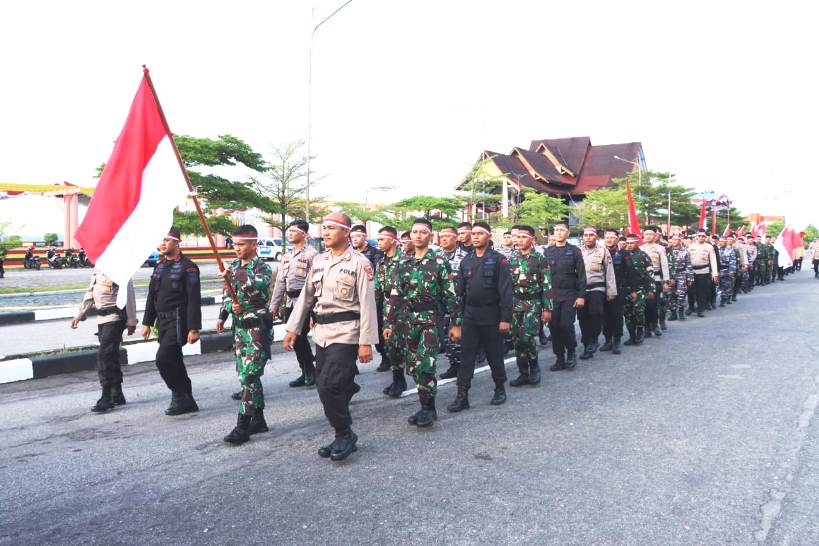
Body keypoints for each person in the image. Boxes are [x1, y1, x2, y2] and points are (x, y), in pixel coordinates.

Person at [284, 212, 378, 461]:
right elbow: (305, 298)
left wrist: (366, 341)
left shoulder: (360, 263)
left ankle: (344, 434)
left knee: (328, 384)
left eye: (331, 228)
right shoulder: (320, 261)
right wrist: (293, 329)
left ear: (346, 233)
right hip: (322, 333)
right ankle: (342, 432)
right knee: (326, 385)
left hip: (347, 332)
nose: (325, 233)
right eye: (323, 228)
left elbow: (368, 305)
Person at [384, 218, 462, 426]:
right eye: (414, 232)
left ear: (430, 236)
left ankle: (429, 409)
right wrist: (389, 323)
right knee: (414, 366)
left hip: (430, 320)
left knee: (425, 364)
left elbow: (451, 295)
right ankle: (423, 405)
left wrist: (455, 323)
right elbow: (395, 295)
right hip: (407, 322)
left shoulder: (438, 262)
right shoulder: (403, 263)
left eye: (422, 232)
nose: (417, 235)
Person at [216, 225, 274, 445]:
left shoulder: (263, 268)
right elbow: (227, 294)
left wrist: (234, 274)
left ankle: (242, 426)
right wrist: (227, 310)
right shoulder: (232, 266)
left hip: (257, 329)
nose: (236, 248)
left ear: (253, 244)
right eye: (234, 243)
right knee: (245, 376)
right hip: (239, 329)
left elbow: (256, 288)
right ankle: (258, 419)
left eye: (241, 244)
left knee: (250, 375)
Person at [447, 221, 511, 412]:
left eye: (480, 233)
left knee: (494, 355)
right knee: (466, 356)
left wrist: (505, 318)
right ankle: (462, 396)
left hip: (492, 314)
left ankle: (500, 388)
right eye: (473, 233)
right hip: (470, 315)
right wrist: (456, 323)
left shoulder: (499, 260)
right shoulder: (466, 261)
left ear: (489, 236)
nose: (475, 236)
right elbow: (459, 294)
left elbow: (506, 291)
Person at [141, 228, 201, 415]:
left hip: (179, 321)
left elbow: (193, 299)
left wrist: (193, 328)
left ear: (177, 242)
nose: (162, 244)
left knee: (163, 359)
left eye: (166, 240)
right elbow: (152, 296)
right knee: (174, 360)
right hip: (163, 322)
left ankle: (179, 394)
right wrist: (147, 322)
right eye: (160, 240)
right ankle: (186, 399)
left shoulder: (188, 267)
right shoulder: (159, 266)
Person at [71, 270, 137, 412]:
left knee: (104, 355)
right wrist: (79, 315)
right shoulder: (98, 269)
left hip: (115, 318)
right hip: (102, 319)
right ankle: (117, 393)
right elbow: (90, 293)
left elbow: (129, 296)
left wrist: (131, 321)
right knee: (111, 355)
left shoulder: (121, 268)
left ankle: (106, 396)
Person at [267, 220, 318, 389]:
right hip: (290, 303)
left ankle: (311, 370)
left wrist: (314, 310)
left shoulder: (312, 254)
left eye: (294, 231)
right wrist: (273, 306)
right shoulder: (287, 256)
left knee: (300, 337)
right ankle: (304, 370)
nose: (290, 233)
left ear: (304, 234)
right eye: (289, 231)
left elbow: (317, 283)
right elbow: (280, 283)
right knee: (294, 339)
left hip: (306, 303)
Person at [508, 225, 552, 386]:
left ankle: (534, 367)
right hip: (515, 303)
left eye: (523, 237)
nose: (519, 240)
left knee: (526, 337)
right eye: (518, 237)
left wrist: (547, 308)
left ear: (532, 240)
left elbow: (547, 284)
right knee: (516, 339)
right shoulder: (512, 258)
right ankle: (523, 373)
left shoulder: (539, 258)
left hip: (533, 303)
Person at [543, 222, 586, 371]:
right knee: (554, 328)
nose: (559, 232)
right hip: (552, 295)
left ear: (568, 233)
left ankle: (571, 353)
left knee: (566, 325)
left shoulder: (575, 251)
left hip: (569, 294)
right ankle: (559, 358)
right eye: (556, 230)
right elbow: (543, 277)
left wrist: (581, 296)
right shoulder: (548, 252)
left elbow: (581, 275)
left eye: (562, 230)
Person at [374, 226, 407, 398]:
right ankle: (398, 379)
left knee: (399, 346)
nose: (379, 242)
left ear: (393, 240)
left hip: (403, 309)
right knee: (390, 346)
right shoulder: (381, 262)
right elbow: (377, 289)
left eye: (382, 239)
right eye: (377, 239)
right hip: (386, 309)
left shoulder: (405, 260)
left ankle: (404, 380)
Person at [578, 227, 617, 359]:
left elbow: (609, 271)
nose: (588, 237)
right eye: (585, 235)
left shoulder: (603, 251)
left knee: (596, 313)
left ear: (596, 237)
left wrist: (611, 291)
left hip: (597, 288)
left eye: (591, 235)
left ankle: (594, 339)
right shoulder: (578, 252)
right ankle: (586, 344)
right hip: (581, 290)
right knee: (583, 318)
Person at [437, 226, 469, 379]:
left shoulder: (466, 257)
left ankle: (461, 366)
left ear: (456, 238)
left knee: (458, 338)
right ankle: (453, 364)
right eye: (441, 236)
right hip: (439, 306)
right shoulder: (434, 257)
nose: (443, 239)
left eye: (448, 236)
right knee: (445, 338)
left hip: (459, 304)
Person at [621, 235, 655, 345]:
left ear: (637, 243)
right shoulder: (623, 254)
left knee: (639, 311)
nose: (629, 245)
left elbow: (650, 273)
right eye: (628, 243)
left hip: (641, 288)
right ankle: (632, 336)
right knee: (627, 313)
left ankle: (640, 331)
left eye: (632, 243)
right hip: (626, 289)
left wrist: (651, 290)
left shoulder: (643, 255)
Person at [640, 226, 670, 336]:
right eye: (646, 234)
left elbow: (664, 265)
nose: (648, 236)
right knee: (645, 305)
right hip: (644, 281)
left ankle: (655, 324)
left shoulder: (660, 249)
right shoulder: (640, 249)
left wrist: (666, 281)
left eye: (650, 234)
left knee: (654, 304)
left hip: (656, 279)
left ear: (655, 236)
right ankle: (646, 327)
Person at [601, 229, 626, 354]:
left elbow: (629, 273)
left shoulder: (623, 254)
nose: (609, 240)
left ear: (617, 239)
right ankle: (607, 340)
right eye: (607, 237)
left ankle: (616, 341)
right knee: (605, 316)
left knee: (616, 316)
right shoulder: (599, 253)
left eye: (612, 237)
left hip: (618, 289)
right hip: (602, 289)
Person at [687, 229, 719, 317]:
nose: (701, 237)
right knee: (690, 291)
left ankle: (700, 309)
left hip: (703, 271)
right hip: (691, 271)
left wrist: (715, 274)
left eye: (703, 236)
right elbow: (687, 259)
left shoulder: (709, 247)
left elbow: (713, 260)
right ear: (696, 236)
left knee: (701, 292)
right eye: (699, 236)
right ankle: (691, 307)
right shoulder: (690, 246)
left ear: (706, 237)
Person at [666, 234, 693, 321]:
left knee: (681, 294)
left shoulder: (685, 251)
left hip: (681, 274)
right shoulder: (667, 251)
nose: (674, 241)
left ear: (680, 241)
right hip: (670, 275)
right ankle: (673, 313)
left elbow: (688, 265)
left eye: (676, 240)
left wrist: (690, 278)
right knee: (670, 294)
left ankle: (681, 312)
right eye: (672, 240)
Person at [717, 236, 737, 306]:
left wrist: (732, 271)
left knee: (725, 286)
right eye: (719, 241)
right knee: (716, 286)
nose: (720, 242)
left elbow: (733, 261)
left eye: (722, 241)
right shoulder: (716, 249)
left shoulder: (730, 250)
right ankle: (712, 301)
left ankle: (723, 300)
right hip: (717, 270)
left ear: (726, 242)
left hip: (726, 270)